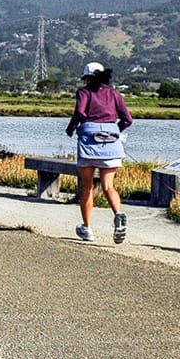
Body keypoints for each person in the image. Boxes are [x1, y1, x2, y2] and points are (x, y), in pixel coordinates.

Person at [65, 62, 133, 243]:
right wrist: (115, 130)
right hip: (111, 141)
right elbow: (128, 119)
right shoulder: (115, 94)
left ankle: (87, 229)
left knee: (86, 187)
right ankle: (118, 214)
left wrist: (71, 128)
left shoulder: (84, 92)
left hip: (88, 140)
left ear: (87, 78)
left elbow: (80, 112)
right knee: (108, 186)